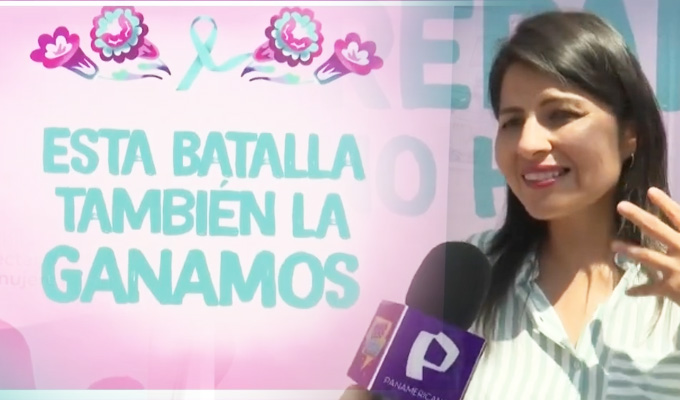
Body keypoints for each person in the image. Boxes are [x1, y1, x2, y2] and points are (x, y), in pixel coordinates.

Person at [340, 10, 680, 400]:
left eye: (561, 114)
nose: (528, 144)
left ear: (630, 134)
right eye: (512, 122)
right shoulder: (464, 280)